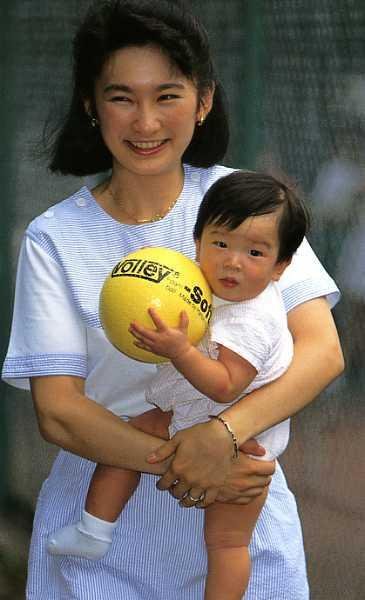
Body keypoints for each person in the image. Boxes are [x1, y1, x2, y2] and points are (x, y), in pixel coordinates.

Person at [1, 1, 344, 599]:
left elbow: (322, 350)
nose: (145, 122)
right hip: (101, 527)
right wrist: (186, 458)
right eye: (120, 97)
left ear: (203, 101)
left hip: (242, 511)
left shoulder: (248, 203)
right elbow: (58, 410)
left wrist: (224, 436)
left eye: (166, 95)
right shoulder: (54, 238)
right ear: (90, 103)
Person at [47, 171, 310, 600]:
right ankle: (94, 530)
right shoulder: (201, 283)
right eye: (221, 243)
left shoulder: (253, 317)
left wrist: (177, 349)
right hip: (189, 414)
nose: (233, 261)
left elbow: (226, 385)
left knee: (227, 542)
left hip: (243, 445)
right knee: (127, 439)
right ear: (198, 240)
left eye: (255, 252)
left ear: (281, 266)